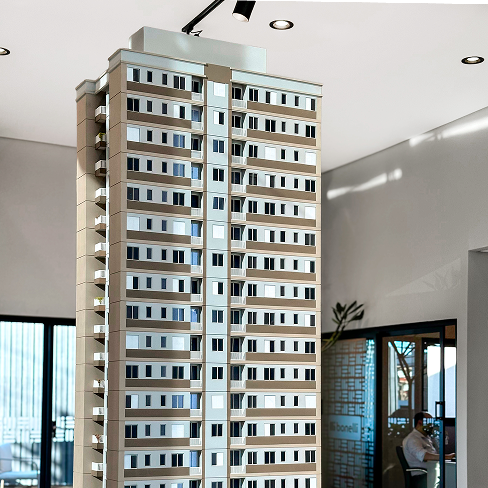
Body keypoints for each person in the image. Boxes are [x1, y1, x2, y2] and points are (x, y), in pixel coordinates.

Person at [402, 411, 455, 477]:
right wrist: (447, 457)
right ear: (420, 423)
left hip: (432, 472)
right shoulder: (412, 439)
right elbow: (424, 456)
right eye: (429, 422)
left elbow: (436, 452)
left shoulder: (427, 437)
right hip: (422, 475)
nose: (432, 425)